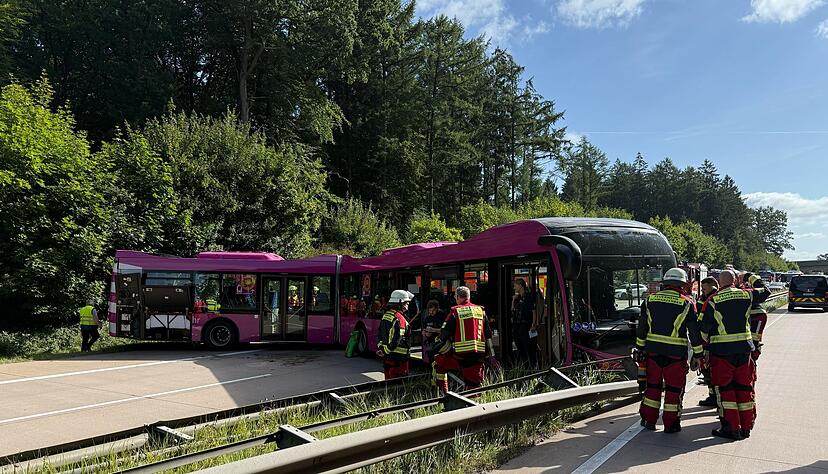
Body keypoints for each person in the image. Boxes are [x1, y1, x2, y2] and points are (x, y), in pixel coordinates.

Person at [700, 270, 770, 440]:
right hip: (744, 350)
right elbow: (765, 290)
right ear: (735, 280)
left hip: (722, 353)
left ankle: (731, 429)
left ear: (719, 282)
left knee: (726, 390)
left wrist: (703, 351)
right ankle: (746, 427)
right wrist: (750, 277)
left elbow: (703, 330)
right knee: (744, 388)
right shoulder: (747, 295)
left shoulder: (713, 300)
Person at [634, 268, 705, 433]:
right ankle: (671, 425)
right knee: (674, 390)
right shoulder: (687, 303)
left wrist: (640, 349)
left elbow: (642, 329)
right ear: (683, 284)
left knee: (652, 388)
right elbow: (694, 333)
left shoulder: (649, 300)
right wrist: (698, 354)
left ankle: (649, 420)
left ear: (665, 283)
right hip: (676, 355)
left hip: (653, 353)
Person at [432, 286, 499, 394]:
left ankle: (444, 396)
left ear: (457, 297)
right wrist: (492, 356)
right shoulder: (481, 311)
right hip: (478, 356)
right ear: (469, 297)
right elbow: (488, 334)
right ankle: (477, 406)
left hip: (460, 355)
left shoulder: (455, 312)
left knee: (439, 365)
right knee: (474, 385)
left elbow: (444, 335)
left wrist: (435, 347)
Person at [376, 290, 414, 379]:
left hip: (387, 358)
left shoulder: (386, 315)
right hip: (399, 360)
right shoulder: (399, 318)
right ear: (400, 303)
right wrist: (387, 350)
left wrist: (382, 349)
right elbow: (397, 339)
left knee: (388, 384)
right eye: (406, 303)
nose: (407, 306)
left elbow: (380, 335)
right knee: (398, 387)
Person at [697, 276, 719, 407]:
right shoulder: (702, 299)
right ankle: (712, 396)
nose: (702, 291)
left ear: (713, 286)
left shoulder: (715, 299)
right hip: (704, 340)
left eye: (704, 289)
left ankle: (717, 397)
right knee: (706, 371)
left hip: (712, 341)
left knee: (713, 372)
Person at [511, 278, 538, 368]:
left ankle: (532, 366)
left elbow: (534, 311)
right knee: (520, 347)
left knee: (528, 347)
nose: (514, 287)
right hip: (517, 326)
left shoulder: (528, 297)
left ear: (521, 286)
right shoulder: (517, 298)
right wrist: (513, 300)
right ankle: (524, 366)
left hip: (526, 325)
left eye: (515, 285)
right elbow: (512, 310)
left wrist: (533, 325)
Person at [421, 300, 446, 365]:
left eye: (433, 310)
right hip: (430, 341)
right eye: (430, 310)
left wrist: (433, 330)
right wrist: (425, 333)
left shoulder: (442, 315)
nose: (431, 312)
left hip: (440, 341)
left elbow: (445, 330)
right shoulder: (427, 318)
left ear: (437, 309)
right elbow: (423, 329)